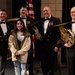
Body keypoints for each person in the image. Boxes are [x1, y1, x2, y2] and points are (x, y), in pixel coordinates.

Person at [37, 6, 61, 75]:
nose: (45, 12)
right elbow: (39, 32)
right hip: (42, 46)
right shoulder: (41, 20)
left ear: (50, 11)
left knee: (52, 64)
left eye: (46, 10)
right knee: (44, 64)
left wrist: (57, 45)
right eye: (44, 11)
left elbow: (59, 34)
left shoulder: (56, 20)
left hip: (52, 46)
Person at [19, 6, 35, 75]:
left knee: (30, 60)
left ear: (27, 12)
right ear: (20, 11)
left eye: (25, 10)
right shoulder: (17, 20)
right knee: (20, 60)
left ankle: (30, 73)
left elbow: (33, 30)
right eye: (22, 10)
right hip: (20, 43)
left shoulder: (31, 19)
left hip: (29, 42)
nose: (23, 11)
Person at [0, 9, 13, 75]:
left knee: (4, 62)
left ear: (6, 15)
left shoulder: (9, 25)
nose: (2, 15)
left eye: (4, 14)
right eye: (1, 13)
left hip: (5, 47)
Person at [63, 6, 75, 75]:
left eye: (74, 12)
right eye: (72, 12)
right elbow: (62, 38)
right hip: (70, 51)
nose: (73, 13)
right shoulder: (66, 25)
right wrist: (64, 44)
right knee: (70, 71)